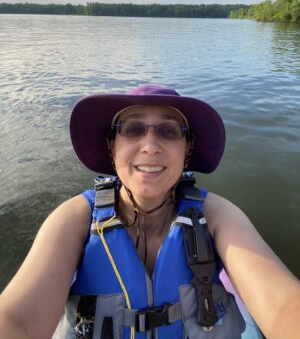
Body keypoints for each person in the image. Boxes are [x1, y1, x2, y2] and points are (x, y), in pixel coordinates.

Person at [0, 83, 299, 339]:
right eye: (132, 129)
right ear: (112, 146)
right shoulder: (74, 218)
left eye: (169, 131)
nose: (150, 145)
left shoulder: (217, 215)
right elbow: (18, 320)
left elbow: (284, 305)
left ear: (188, 149)